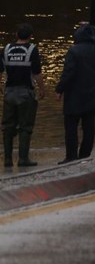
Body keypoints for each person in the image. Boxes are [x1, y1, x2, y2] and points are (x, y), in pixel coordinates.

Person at [55, 23, 95, 164]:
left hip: (74, 95)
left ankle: (71, 156)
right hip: (92, 94)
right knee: (89, 126)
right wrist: (92, 27)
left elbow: (69, 73)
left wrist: (59, 89)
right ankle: (85, 154)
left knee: (71, 127)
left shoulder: (74, 51)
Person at [2, 23, 45, 168]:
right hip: (26, 93)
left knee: (7, 127)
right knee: (25, 127)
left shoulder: (6, 49)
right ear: (31, 36)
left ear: (16, 35)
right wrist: (42, 89)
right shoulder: (32, 50)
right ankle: (23, 159)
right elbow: (37, 73)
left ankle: (7, 160)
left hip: (9, 93)